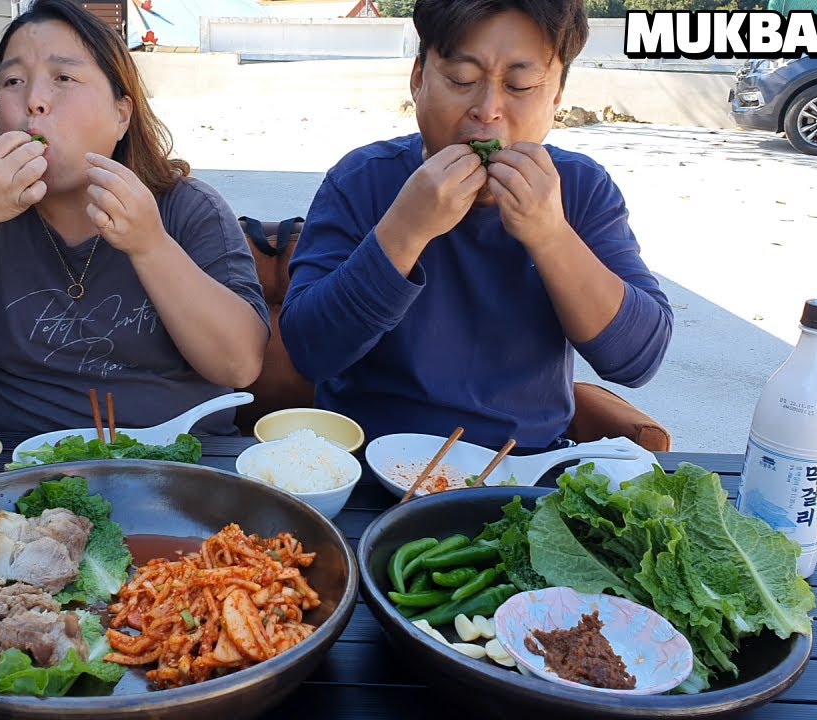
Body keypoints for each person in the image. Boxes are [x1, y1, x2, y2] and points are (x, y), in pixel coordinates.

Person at [0, 0, 269, 437]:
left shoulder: (188, 210)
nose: (33, 101)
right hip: (13, 483)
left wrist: (150, 246)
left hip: (178, 475)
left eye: (63, 78)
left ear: (121, 114)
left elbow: (239, 363)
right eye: (13, 81)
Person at [279, 0, 673, 452]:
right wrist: (406, 229)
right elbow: (309, 351)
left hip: (523, 471)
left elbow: (637, 358)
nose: (488, 110)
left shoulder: (581, 189)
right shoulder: (362, 179)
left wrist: (549, 234)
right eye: (462, 80)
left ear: (557, 97)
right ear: (418, 79)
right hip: (367, 465)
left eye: (520, 85)